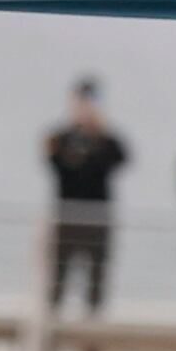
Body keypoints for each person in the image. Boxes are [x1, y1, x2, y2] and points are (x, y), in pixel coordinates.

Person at [39, 86, 122, 325]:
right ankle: (50, 329)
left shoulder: (106, 140)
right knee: (58, 279)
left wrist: (100, 133)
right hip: (67, 220)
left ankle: (92, 344)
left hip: (97, 222)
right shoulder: (61, 138)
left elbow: (121, 158)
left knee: (96, 282)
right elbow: (54, 163)